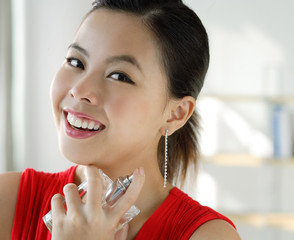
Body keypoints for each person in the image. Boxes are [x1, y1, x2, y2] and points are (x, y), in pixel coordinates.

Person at [0, 0, 241, 239]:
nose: (80, 89)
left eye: (119, 76)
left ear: (175, 114)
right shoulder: (7, 202)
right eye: (76, 62)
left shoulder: (208, 235)